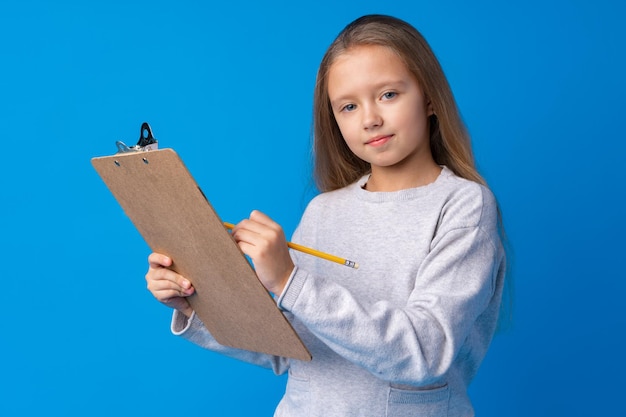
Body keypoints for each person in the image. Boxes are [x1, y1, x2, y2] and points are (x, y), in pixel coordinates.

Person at [146, 14, 507, 417]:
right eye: (348, 106)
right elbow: (289, 349)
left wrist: (289, 280)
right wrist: (194, 304)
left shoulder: (463, 205)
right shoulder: (324, 210)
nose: (370, 118)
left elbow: (423, 353)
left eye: (388, 94)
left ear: (429, 98)